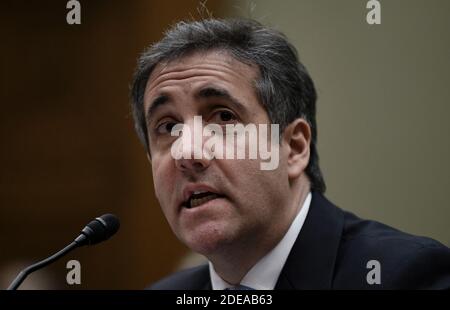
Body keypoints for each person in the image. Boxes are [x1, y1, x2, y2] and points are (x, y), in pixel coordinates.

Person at [130, 18, 450, 289]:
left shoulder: (405, 276)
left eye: (224, 117)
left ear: (294, 148)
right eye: (168, 126)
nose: (187, 152)